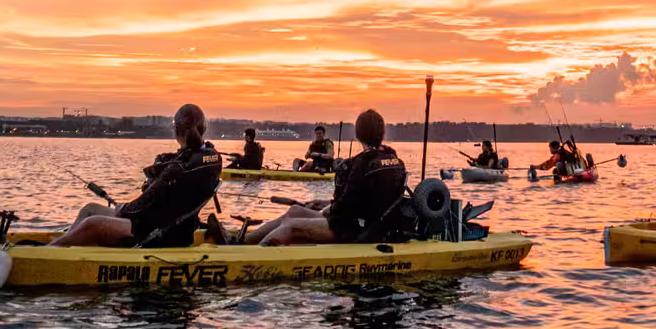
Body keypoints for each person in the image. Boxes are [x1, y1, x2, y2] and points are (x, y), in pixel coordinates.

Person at [212, 109, 410, 246]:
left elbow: (343, 209)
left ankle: (243, 257)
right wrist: (323, 203)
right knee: (295, 210)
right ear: (381, 133)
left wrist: (327, 208)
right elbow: (364, 200)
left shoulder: (357, 164)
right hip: (366, 222)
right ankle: (240, 240)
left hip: (357, 230)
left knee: (291, 225)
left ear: (359, 135)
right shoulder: (396, 161)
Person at [49, 105, 222, 248]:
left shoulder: (178, 167)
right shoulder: (209, 158)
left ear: (176, 130)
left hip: (154, 233)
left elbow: (143, 203)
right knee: (89, 209)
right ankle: (66, 244)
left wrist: (122, 210)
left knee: (91, 223)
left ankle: (54, 249)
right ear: (203, 128)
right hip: (152, 222)